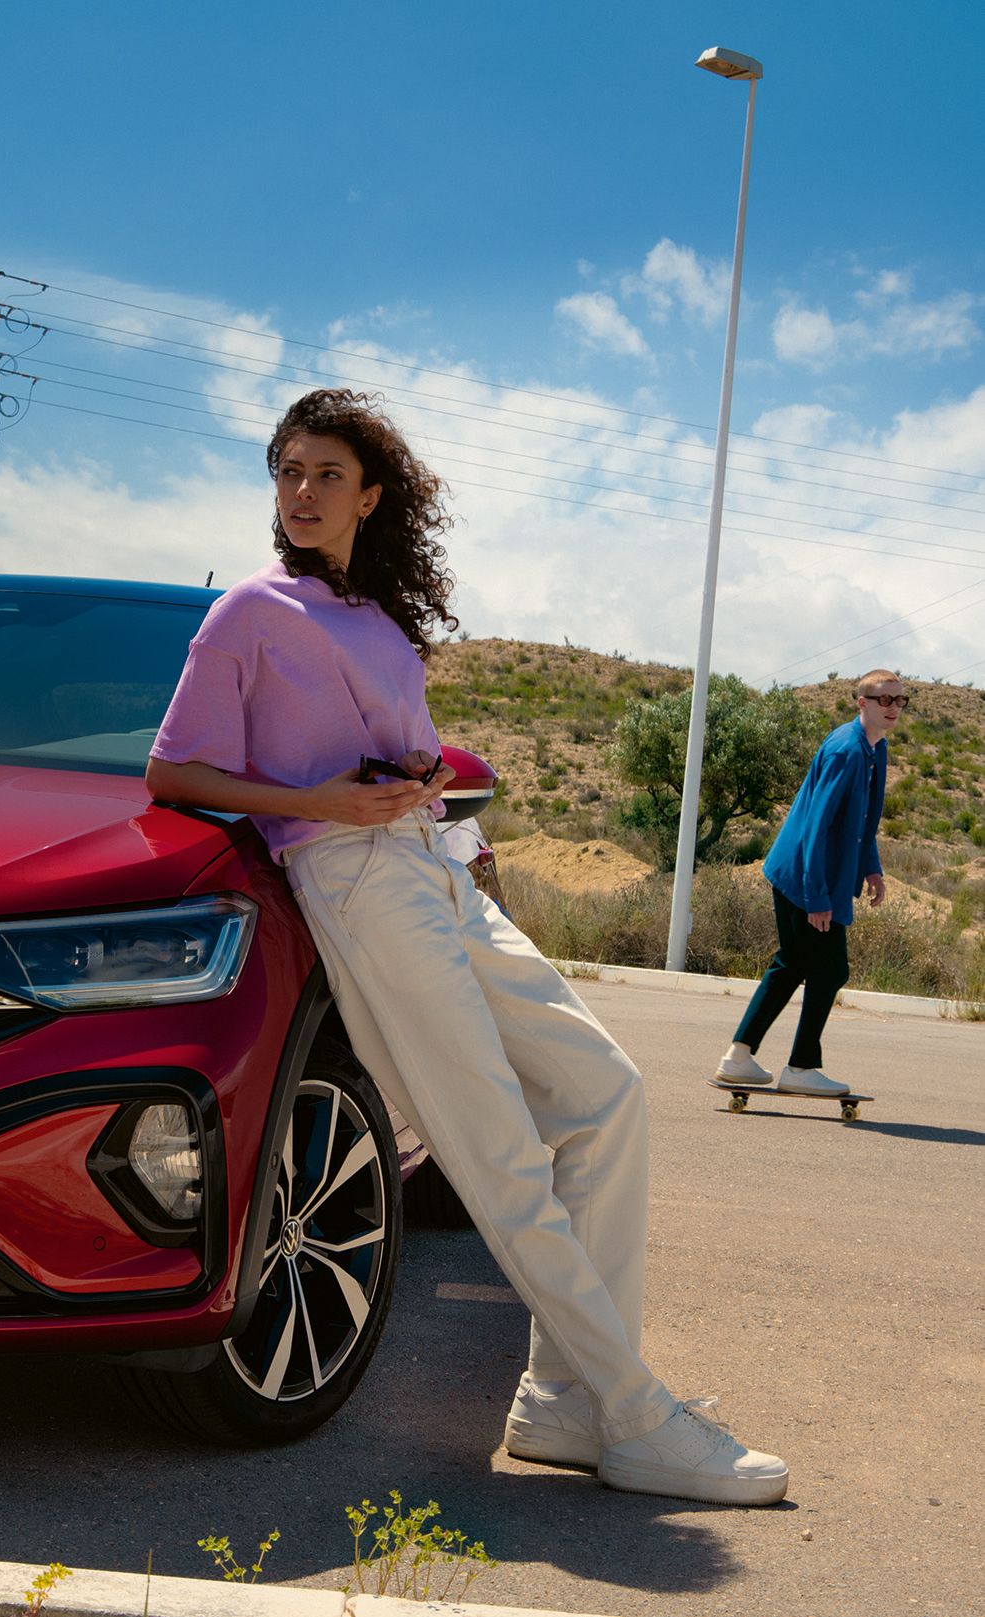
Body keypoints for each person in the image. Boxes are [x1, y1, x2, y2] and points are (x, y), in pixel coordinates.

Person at [145, 388, 788, 1506]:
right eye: (286, 471)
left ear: (371, 494)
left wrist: (419, 776)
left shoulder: (377, 620)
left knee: (607, 1092)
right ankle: (636, 1416)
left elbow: (389, 750)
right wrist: (318, 805)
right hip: (351, 879)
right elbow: (173, 772)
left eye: (324, 474)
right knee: (496, 1153)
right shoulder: (247, 612)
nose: (300, 492)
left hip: (433, 866)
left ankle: (558, 1402)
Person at [716, 670, 902, 1096]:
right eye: (883, 699)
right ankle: (801, 1066)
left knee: (793, 963)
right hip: (806, 875)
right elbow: (817, 828)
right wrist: (817, 897)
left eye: (899, 700)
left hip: (812, 873)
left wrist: (871, 867)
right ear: (861, 702)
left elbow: (863, 822)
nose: (892, 708)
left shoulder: (876, 749)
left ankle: (738, 1058)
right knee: (831, 968)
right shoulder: (846, 752)